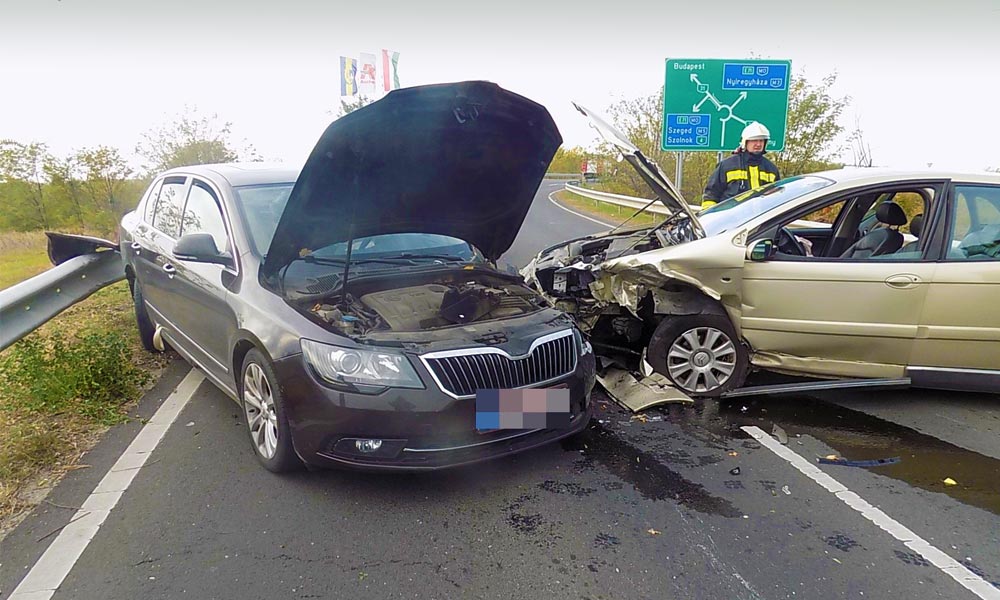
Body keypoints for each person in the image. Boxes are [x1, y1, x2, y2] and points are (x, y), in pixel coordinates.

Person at [702, 122, 781, 209]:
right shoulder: (727, 166)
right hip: (732, 219)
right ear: (745, 142)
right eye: (754, 140)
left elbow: (776, 199)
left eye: (761, 140)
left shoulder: (771, 169)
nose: (758, 144)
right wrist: (711, 217)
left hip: (761, 219)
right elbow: (711, 195)